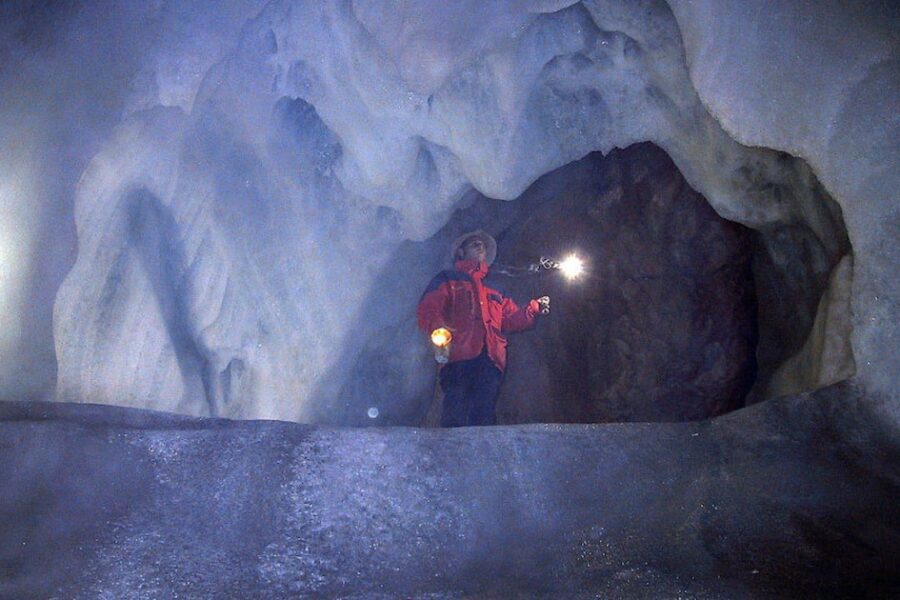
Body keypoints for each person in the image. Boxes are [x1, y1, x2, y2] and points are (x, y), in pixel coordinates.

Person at [417, 230, 547, 427]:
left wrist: (533, 308)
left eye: (483, 245)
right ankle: (452, 453)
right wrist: (439, 329)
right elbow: (428, 308)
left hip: (490, 359)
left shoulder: (495, 288)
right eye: (474, 244)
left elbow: (510, 319)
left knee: (484, 410)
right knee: (456, 408)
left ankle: (482, 455)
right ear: (460, 252)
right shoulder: (447, 279)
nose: (480, 247)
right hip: (457, 357)